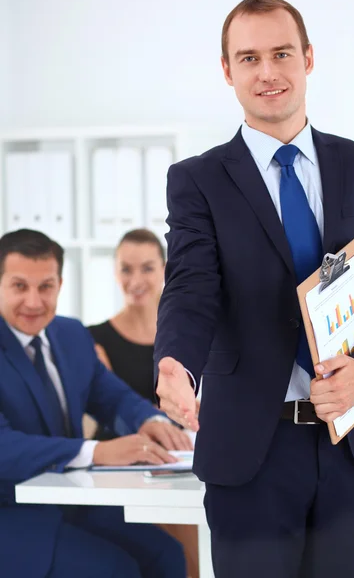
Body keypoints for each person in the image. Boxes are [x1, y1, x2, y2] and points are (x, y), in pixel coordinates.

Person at [153, 0, 354, 578]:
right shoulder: (198, 181)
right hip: (251, 451)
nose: (268, 72)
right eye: (249, 58)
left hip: (351, 443)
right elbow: (191, 287)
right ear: (228, 71)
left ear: (308, 58)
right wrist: (175, 360)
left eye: (281, 53)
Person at [0, 228, 187, 578]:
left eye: (46, 286)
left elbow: (110, 395)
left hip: (70, 502)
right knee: (117, 570)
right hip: (12, 514)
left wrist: (152, 421)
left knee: (168, 555)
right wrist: (96, 451)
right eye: (19, 286)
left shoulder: (69, 333)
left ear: (60, 283)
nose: (34, 301)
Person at [88, 228, 199, 578]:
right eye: (126, 269)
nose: (135, 279)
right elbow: (104, 409)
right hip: (127, 471)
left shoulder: (188, 339)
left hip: (184, 463)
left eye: (146, 268)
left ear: (165, 269)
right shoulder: (94, 339)